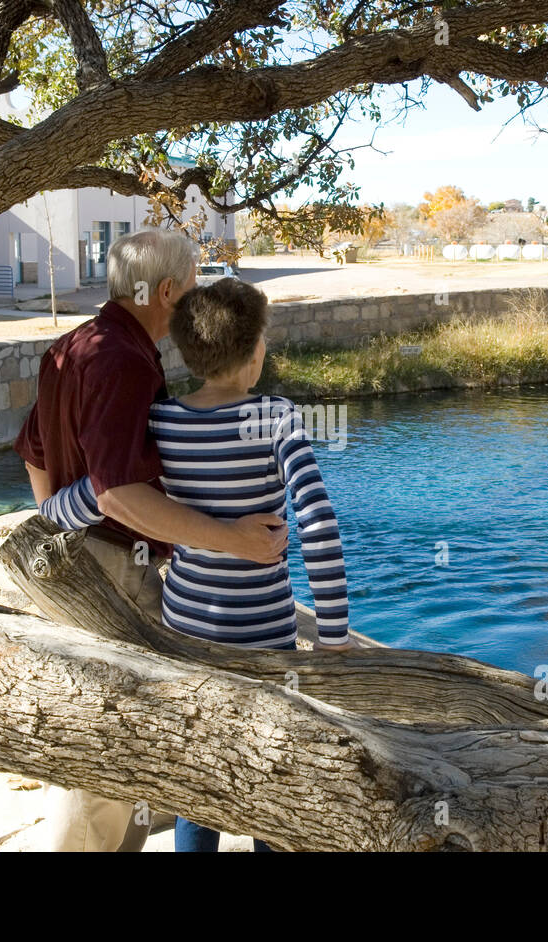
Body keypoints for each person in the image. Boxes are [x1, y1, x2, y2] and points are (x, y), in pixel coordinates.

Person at [43, 277, 352, 852]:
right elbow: (317, 522)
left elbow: (97, 492)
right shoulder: (277, 417)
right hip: (265, 636)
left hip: (187, 632)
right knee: (274, 782)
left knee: (199, 780)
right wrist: (332, 638)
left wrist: (49, 511)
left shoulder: (162, 421)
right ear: (257, 350)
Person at [15, 230, 291, 852]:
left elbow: (32, 450)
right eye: (192, 288)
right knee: (109, 753)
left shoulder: (73, 345)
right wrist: (234, 540)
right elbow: (117, 493)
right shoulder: (123, 361)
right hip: (117, 570)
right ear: (166, 291)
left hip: (80, 567)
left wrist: (58, 521)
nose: (198, 302)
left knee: (103, 742)